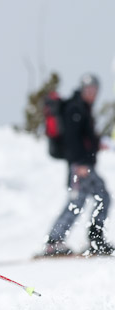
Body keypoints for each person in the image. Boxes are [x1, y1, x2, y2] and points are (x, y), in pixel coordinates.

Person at [42, 74, 114, 256]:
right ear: (82, 89)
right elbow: (72, 140)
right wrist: (79, 163)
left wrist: (97, 143)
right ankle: (57, 241)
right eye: (89, 90)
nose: (92, 94)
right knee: (92, 198)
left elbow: (84, 138)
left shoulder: (82, 108)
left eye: (95, 90)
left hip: (83, 164)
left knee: (91, 199)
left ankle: (86, 239)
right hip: (80, 166)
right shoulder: (75, 109)